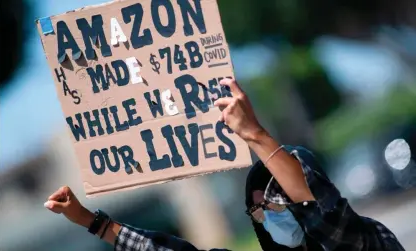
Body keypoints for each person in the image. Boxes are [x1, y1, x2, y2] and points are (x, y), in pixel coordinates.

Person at [45, 78, 405, 251]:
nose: (268, 213)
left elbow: (321, 211)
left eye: (276, 200)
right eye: (258, 210)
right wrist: (93, 222)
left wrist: (255, 135)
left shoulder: (367, 240)